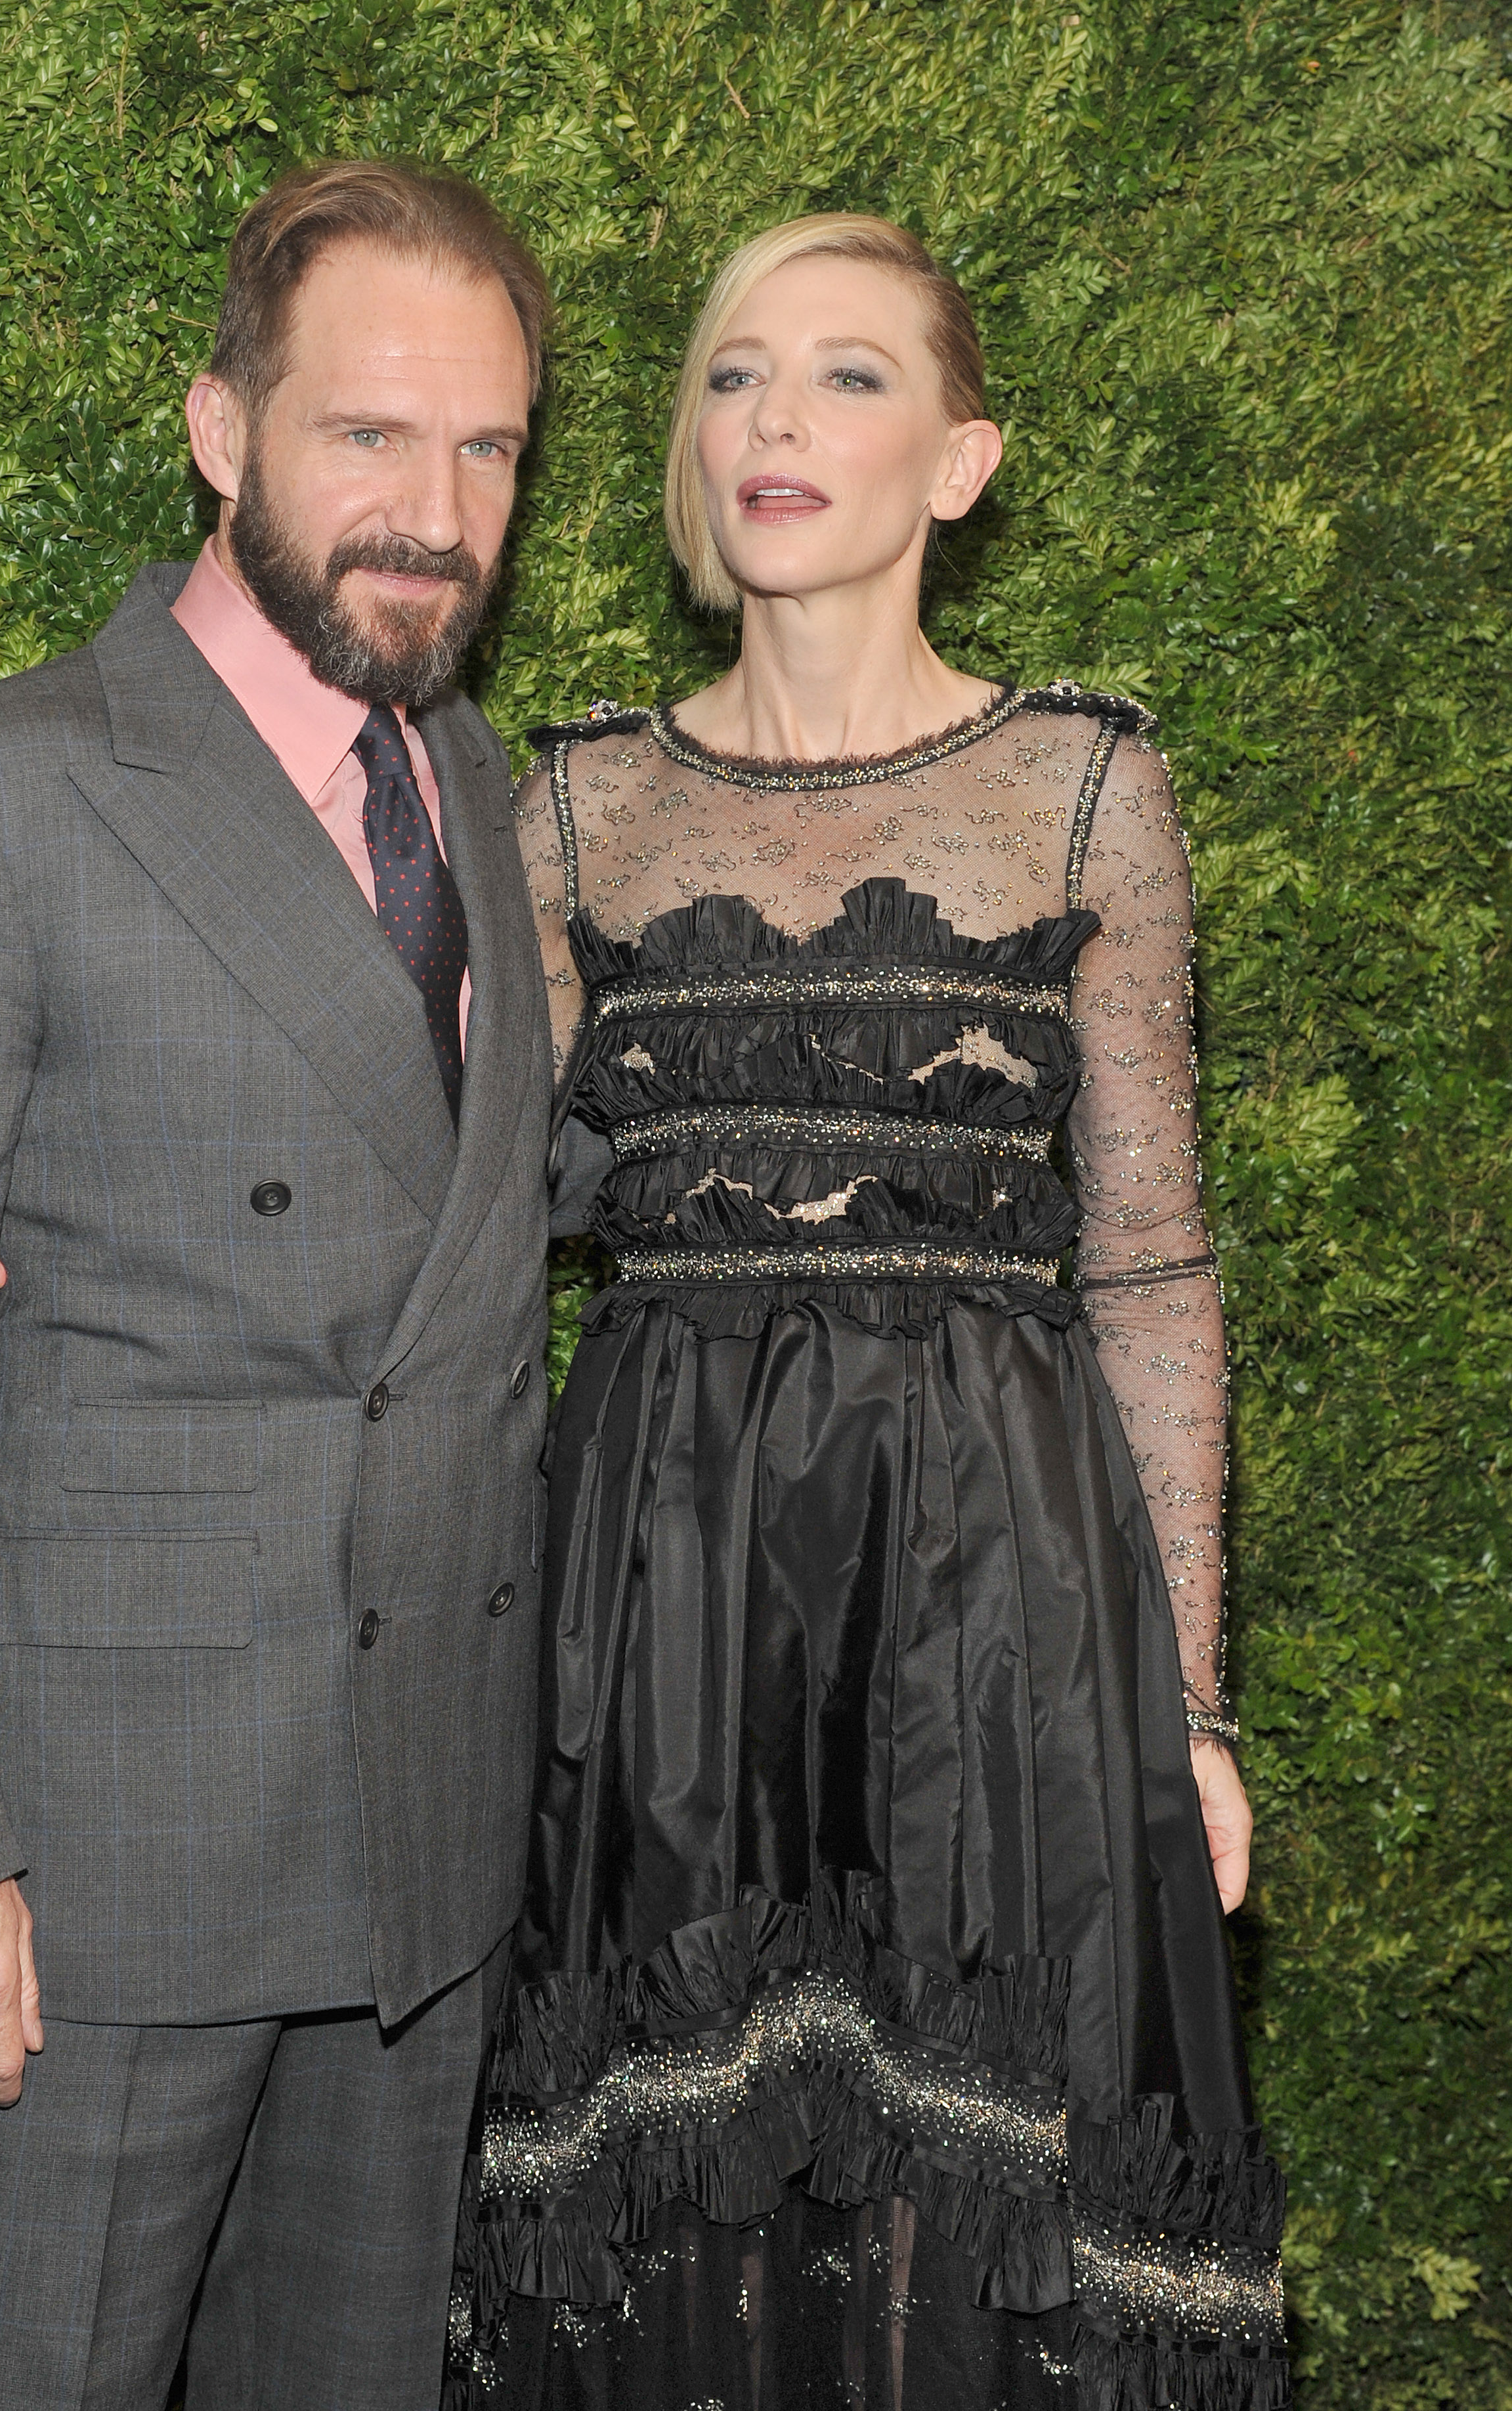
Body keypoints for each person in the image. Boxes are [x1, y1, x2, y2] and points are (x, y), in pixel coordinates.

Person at [0, 161, 556, 2411]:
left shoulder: (470, 785)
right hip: (88, 1885)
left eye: (487, 447)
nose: (433, 513)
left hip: (417, 1866)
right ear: (221, 429)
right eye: (366, 434)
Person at [450, 215, 1289, 2409]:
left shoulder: (1086, 789)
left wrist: (1195, 1705)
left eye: (847, 376)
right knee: (672, 2218)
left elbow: (1152, 1258)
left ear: (961, 460)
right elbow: (444, 1228)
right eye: (735, 374)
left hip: (999, 1603)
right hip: (658, 1606)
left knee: (981, 2212)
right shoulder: (570, 807)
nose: (776, 421)